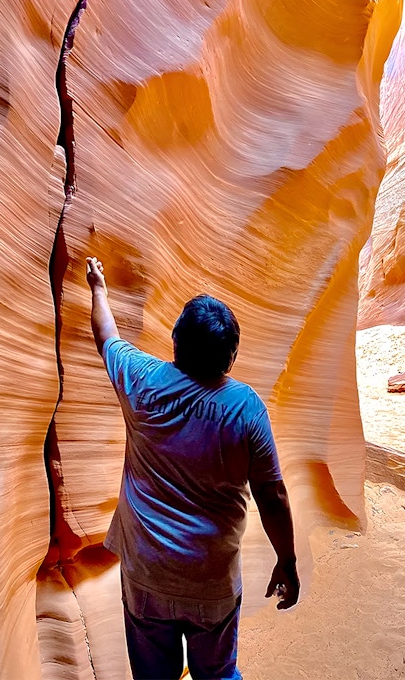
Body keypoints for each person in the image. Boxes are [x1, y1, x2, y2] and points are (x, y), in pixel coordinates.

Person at [85, 256, 299, 680]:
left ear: (175, 341)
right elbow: (271, 495)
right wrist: (287, 560)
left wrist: (98, 289)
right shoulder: (245, 408)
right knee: (218, 674)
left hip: (146, 572)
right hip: (210, 580)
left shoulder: (141, 380)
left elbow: (105, 334)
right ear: (231, 356)